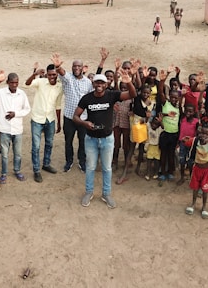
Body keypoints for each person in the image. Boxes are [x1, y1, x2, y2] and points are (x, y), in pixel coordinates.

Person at [74, 69, 137, 209]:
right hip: (90, 139)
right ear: (93, 83)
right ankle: (89, 192)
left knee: (107, 168)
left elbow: (132, 94)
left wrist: (129, 82)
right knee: (90, 167)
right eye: (97, 82)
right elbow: (75, 116)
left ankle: (106, 194)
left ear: (107, 84)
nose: (99, 85)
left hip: (107, 139)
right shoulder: (87, 98)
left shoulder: (112, 95)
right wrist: (85, 123)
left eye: (102, 82)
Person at [0, 72, 31, 184]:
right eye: (12, 82)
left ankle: (17, 170)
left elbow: (27, 109)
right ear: (8, 82)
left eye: (16, 82)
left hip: (17, 129)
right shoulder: (1, 93)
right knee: (4, 154)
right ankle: (4, 173)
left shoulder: (22, 94)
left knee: (18, 153)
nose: (14, 85)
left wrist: (16, 114)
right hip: (4, 129)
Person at [51, 52, 93, 173]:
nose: (76, 68)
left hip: (83, 118)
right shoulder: (67, 79)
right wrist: (58, 67)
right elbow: (62, 73)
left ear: (82, 68)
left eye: (79, 66)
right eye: (74, 66)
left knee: (82, 141)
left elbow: (90, 98)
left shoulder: (88, 82)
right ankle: (69, 161)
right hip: (69, 117)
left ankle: (82, 161)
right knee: (68, 141)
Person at [25, 64, 63, 183]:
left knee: (49, 143)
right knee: (36, 146)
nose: (52, 77)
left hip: (50, 119)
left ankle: (46, 164)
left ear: (57, 75)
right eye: (50, 74)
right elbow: (26, 84)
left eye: (54, 75)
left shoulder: (59, 87)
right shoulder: (40, 82)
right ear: (46, 74)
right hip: (37, 119)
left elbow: (58, 105)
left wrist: (58, 123)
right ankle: (36, 170)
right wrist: (34, 74)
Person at [185, 124, 208, 219]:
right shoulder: (195, 141)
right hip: (196, 169)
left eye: (207, 134)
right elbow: (185, 142)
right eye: (202, 133)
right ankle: (193, 204)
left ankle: (204, 208)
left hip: (207, 171)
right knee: (195, 189)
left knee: (205, 191)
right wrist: (186, 139)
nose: (204, 136)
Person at [157, 67, 181, 183]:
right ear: (169, 97)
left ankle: (170, 172)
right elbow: (160, 91)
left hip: (174, 134)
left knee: (171, 154)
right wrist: (163, 79)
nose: (174, 99)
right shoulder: (165, 104)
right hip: (165, 133)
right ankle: (162, 172)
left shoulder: (180, 108)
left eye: (176, 98)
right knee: (163, 154)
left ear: (179, 99)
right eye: (172, 97)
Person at [177, 104, 199, 185]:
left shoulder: (196, 122)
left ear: (194, 112)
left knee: (190, 162)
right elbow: (180, 131)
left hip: (191, 145)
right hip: (182, 143)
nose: (188, 113)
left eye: (190, 111)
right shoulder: (183, 119)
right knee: (182, 161)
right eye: (187, 111)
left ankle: (191, 178)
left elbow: (198, 133)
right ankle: (182, 177)